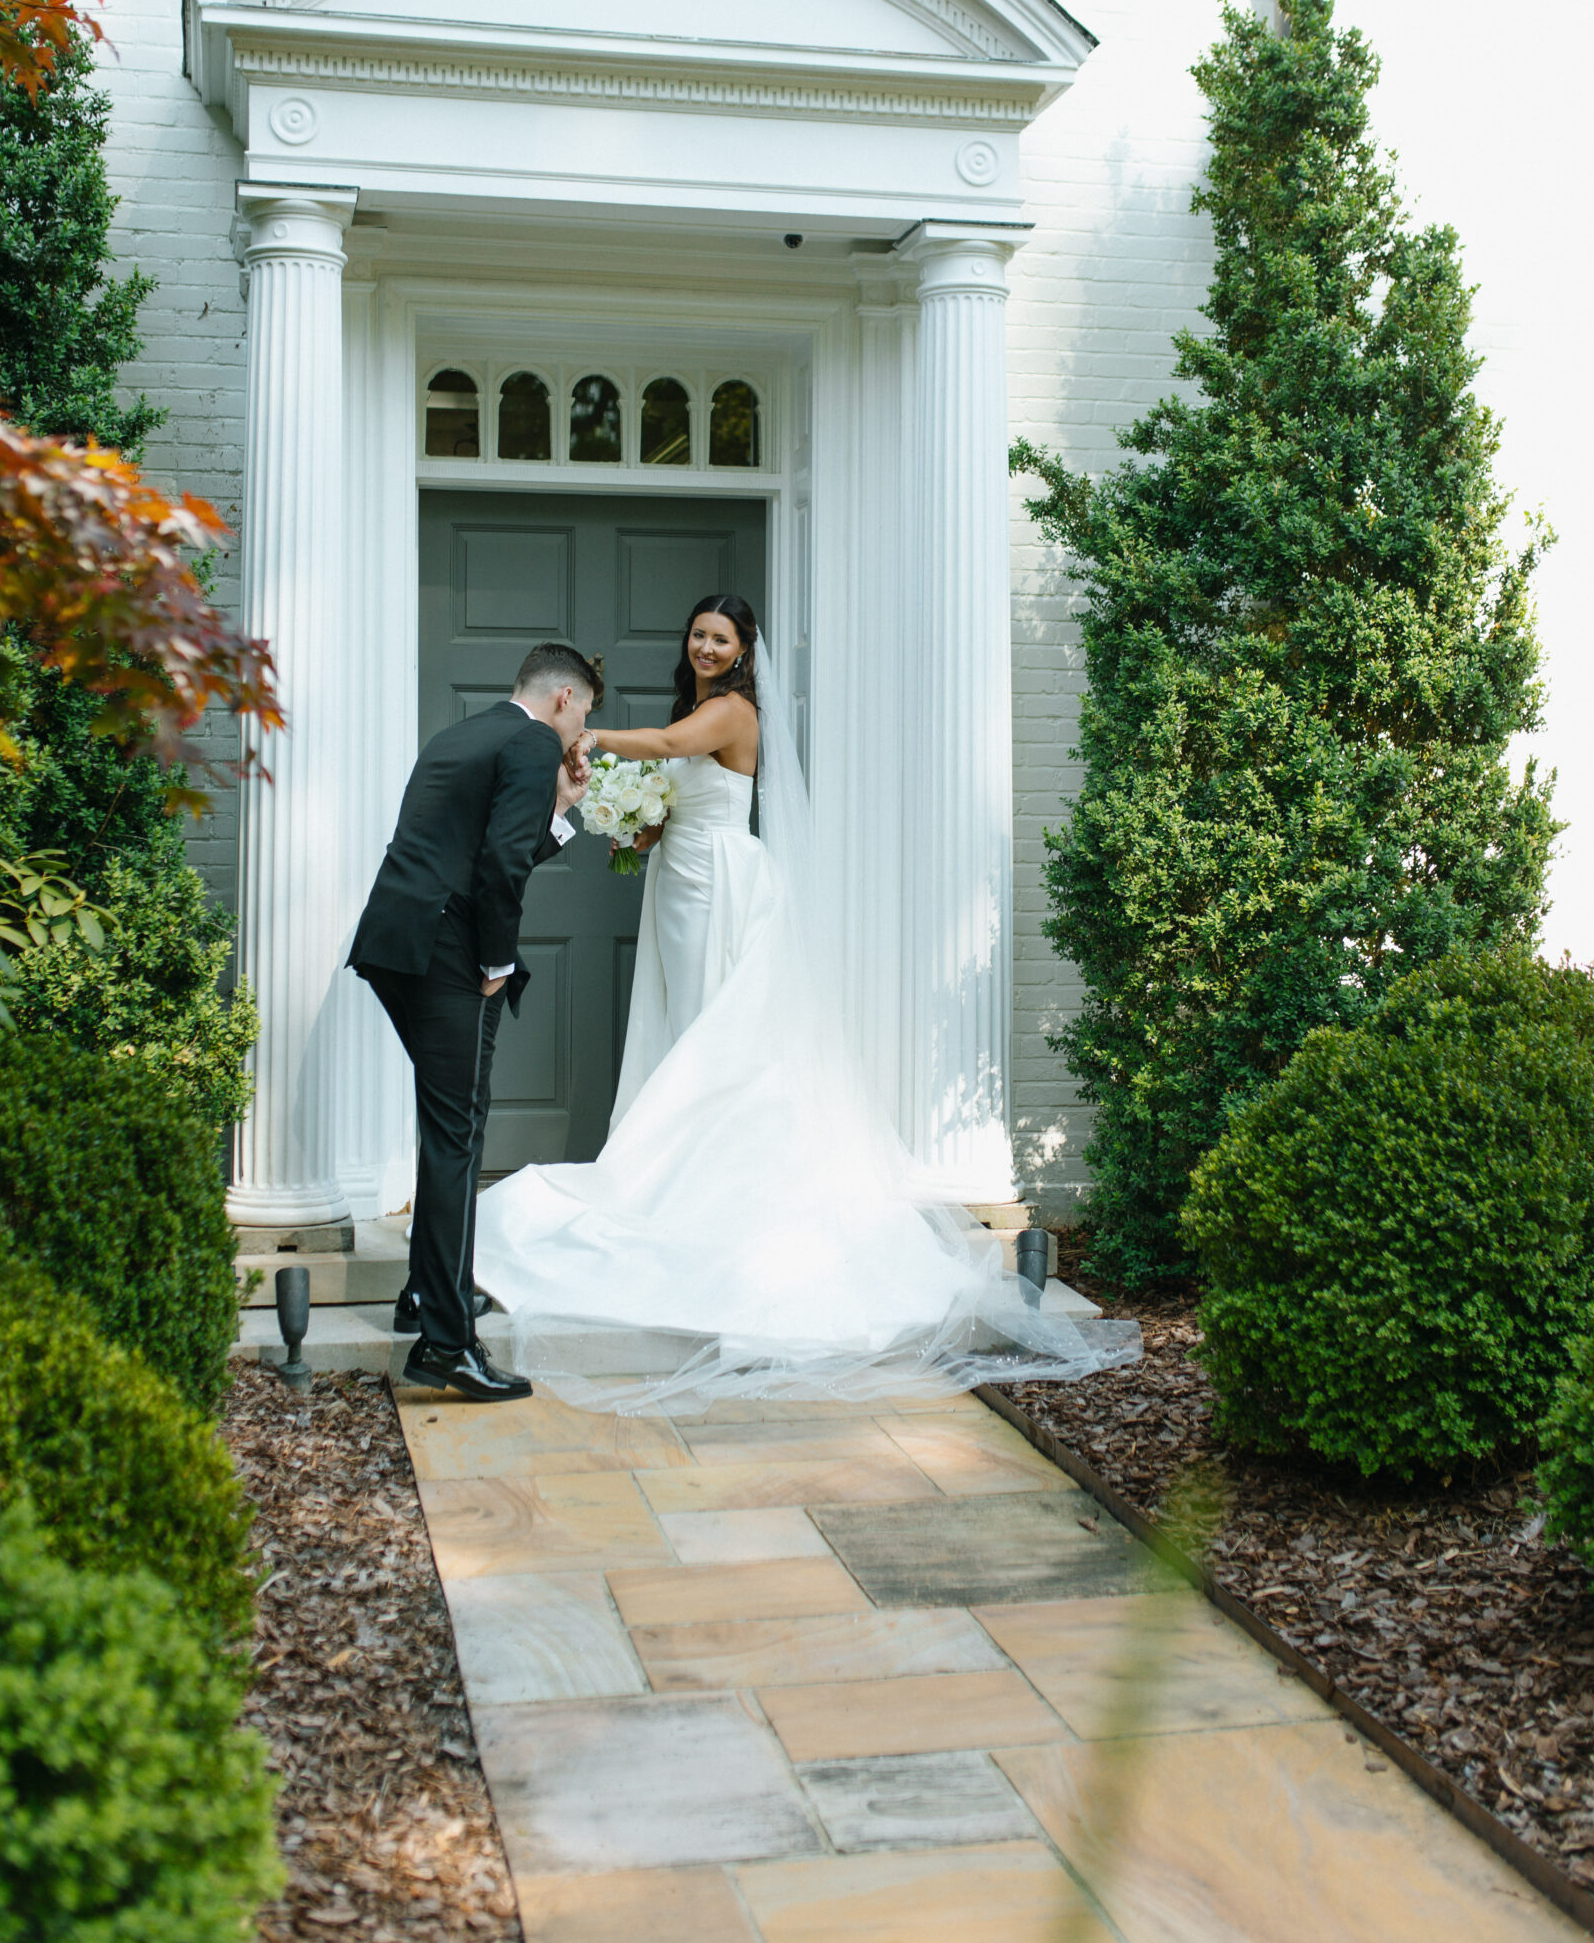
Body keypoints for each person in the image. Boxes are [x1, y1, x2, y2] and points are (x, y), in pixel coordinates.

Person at [471, 595, 1138, 1412]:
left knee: (721, 1042)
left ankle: (710, 1193)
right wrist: (638, 820)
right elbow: (675, 782)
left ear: (743, 648)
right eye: (696, 635)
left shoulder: (730, 711)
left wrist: (579, 735)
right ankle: (677, 1174)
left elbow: (675, 747)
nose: (704, 646)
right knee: (684, 1032)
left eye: (719, 637)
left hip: (720, 885)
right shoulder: (697, 707)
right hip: (676, 884)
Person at [350, 641, 599, 1402]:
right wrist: (496, 962)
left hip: (395, 941)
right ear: (563, 698)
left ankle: (427, 1296)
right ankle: (447, 1344)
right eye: (585, 711)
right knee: (457, 1133)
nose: (581, 727)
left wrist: (560, 811)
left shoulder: (461, 733)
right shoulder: (530, 740)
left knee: (445, 1128)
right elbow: (497, 864)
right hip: (450, 951)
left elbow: (473, 842)